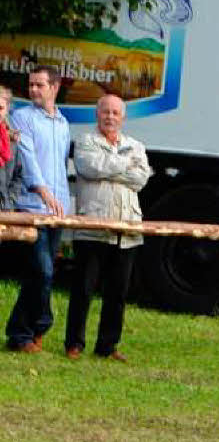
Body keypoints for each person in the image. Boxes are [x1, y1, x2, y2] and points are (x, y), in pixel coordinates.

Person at [64, 93, 150, 362]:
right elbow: (89, 167)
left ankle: (107, 346)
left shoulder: (136, 145)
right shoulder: (85, 142)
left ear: (123, 117)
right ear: (97, 115)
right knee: (83, 289)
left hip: (127, 231)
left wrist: (113, 167)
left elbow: (141, 178)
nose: (110, 117)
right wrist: (126, 164)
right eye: (105, 112)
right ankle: (74, 344)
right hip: (93, 226)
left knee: (118, 293)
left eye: (115, 113)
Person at [5, 66, 70, 353]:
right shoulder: (23, 117)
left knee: (41, 273)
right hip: (31, 207)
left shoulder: (63, 123)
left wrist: (63, 204)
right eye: (30, 85)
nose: (32, 90)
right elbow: (28, 159)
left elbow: (60, 165)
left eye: (39, 85)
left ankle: (22, 332)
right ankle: (39, 324)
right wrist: (42, 191)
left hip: (58, 209)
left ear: (54, 87)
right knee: (42, 270)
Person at [0, 86, 23, 211]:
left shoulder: (12, 141)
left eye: (1, 108)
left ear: (7, 109)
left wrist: (10, 200)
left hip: (4, 211)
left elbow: (18, 175)